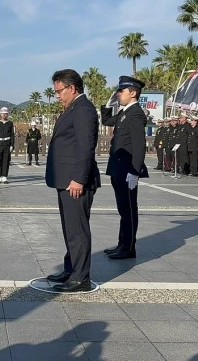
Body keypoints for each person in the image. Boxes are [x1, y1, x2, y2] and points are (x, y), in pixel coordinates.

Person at [45, 69, 100, 293]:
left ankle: (81, 277)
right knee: (70, 228)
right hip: (65, 180)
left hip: (75, 182)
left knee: (77, 230)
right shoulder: (73, 108)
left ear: (72, 88)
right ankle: (71, 268)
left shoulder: (83, 110)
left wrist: (78, 178)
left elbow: (85, 147)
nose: (57, 95)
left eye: (59, 91)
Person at [100, 76, 149, 260]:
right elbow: (106, 121)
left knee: (128, 209)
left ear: (133, 93)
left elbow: (139, 145)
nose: (119, 94)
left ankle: (128, 248)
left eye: (122, 91)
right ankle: (122, 243)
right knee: (123, 208)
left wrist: (135, 171)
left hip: (127, 169)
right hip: (118, 168)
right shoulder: (124, 112)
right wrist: (108, 103)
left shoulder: (135, 113)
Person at [0, 107, 14, 183]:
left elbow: (12, 135)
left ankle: (4, 176)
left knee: (6, 160)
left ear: (7, 114)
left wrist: (12, 145)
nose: (4, 115)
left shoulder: (10, 123)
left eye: (5, 114)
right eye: (3, 114)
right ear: (0, 114)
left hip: (7, 144)